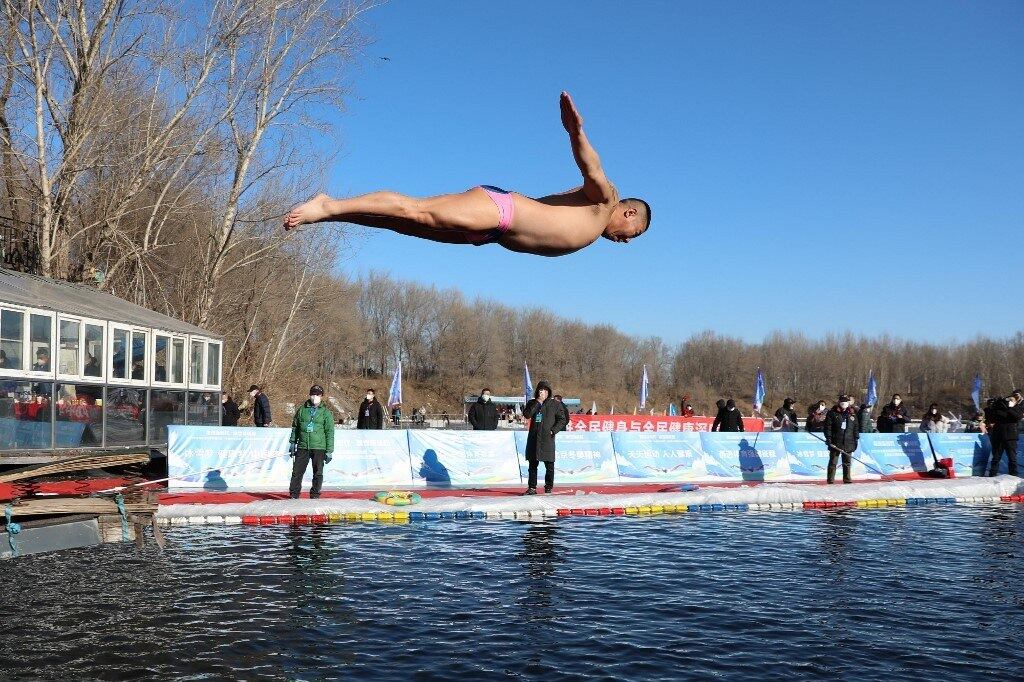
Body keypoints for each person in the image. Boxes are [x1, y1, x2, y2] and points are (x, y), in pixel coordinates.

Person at [283, 92, 651, 257]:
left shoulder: (595, 220)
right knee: (417, 210)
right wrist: (576, 133)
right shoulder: (606, 200)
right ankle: (329, 205)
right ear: (630, 213)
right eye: (633, 234)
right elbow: (592, 168)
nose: (627, 241)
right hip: (499, 212)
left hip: (490, 234)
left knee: (400, 225)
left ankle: (336, 216)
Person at [287, 385, 335, 499]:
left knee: (318, 472)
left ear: (321, 396)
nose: (315, 397)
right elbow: (295, 427)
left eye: (317, 395)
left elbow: (330, 432)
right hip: (303, 445)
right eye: (313, 394)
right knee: (297, 471)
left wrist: (329, 450)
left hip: (319, 447)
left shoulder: (326, 413)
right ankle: (294, 494)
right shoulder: (302, 410)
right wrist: (293, 442)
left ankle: (315, 494)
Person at [522, 381, 568, 494]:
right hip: (534, 438)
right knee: (532, 464)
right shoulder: (532, 403)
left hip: (548, 438)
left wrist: (554, 430)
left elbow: (563, 419)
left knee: (549, 464)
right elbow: (527, 415)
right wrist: (538, 402)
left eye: (545, 390)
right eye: (541, 390)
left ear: (549, 392)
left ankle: (548, 487)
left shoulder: (555, 404)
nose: (543, 392)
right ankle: (532, 487)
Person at [823, 394, 860, 484]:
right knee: (833, 462)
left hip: (849, 441)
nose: (844, 403)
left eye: (846, 401)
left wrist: (855, 440)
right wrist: (829, 439)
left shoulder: (852, 414)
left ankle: (847, 479)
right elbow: (828, 427)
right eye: (842, 401)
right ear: (839, 402)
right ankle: (830, 479)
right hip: (836, 441)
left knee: (847, 462)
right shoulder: (832, 413)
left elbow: (855, 428)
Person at [987, 393, 1023, 477]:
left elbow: (1017, 417)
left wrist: (1009, 408)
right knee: (996, 458)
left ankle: (1013, 474)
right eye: (1009, 400)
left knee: (1012, 458)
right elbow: (991, 418)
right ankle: (992, 474)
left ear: (1015, 402)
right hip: (998, 436)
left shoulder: (1017, 408)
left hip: (1011, 436)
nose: (1009, 402)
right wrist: (993, 407)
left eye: (1012, 400)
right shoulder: (1000, 408)